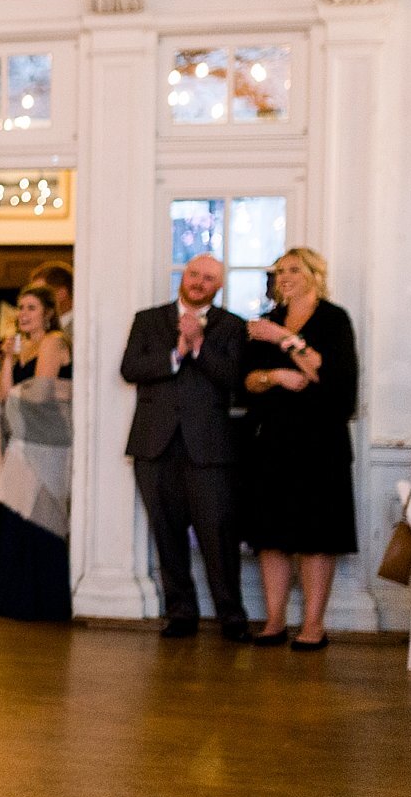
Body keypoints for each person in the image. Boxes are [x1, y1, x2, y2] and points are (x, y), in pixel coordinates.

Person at [119, 254, 250, 641]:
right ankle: (180, 614)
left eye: (208, 278)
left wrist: (197, 346)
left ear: (218, 286)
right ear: (183, 276)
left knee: (219, 537)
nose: (198, 282)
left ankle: (232, 617)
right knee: (167, 534)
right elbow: (130, 369)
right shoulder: (148, 319)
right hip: (153, 446)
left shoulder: (232, 326)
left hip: (209, 450)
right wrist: (175, 353)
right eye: (194, 274)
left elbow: (233, 378)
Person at [240, 247, 358, 649]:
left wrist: (285, 339)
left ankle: (313, 625)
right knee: (271, 534)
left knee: (315, 534)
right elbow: (248, 380)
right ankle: (274, 621)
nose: (283, 277)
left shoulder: (333, 319)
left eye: (293, 269)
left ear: (314, 274)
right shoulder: (267, 320)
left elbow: (328, 377)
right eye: (279, 271)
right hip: (271, 440)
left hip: (320, 441)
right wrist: (274, 376)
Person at [0, 286, 74, 622]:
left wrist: (19, 392)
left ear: (48, 312)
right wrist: (8, 358)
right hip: (21, 439)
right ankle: (11, 599)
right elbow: (7, 395)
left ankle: (42, 602)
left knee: (40, 515)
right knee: (14, 514)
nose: (23, 314)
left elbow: (40, 392)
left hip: (47, 441)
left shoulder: (53, 341)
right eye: (20, 308)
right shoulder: (21, 347)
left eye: (31, 308)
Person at [30, 261, 75, 337]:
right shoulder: (43, 326)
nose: (34, 300)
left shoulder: (81, 328)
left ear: (61, 294)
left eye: (41, 293)